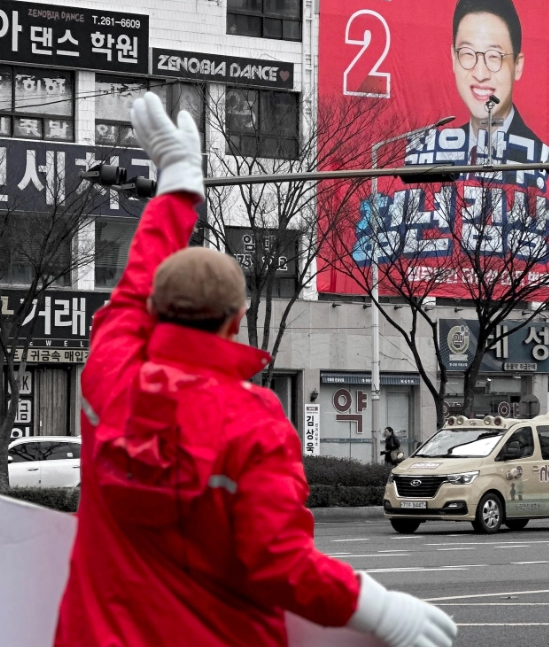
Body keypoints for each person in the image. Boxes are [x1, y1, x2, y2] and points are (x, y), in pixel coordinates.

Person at [54, 92, 457, 647]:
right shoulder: (253, 423)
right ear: (238, 318)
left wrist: (176, 189)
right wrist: (378, 606)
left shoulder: (110, 375)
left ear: (152, 311)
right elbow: (280, 563)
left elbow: (131, 290)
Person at [405, 0, 549, 191]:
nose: (480, 74)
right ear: (453, 59)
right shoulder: (434, 154)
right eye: (467, 54)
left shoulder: (541, 161)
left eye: (494, 56)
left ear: (518, 66)